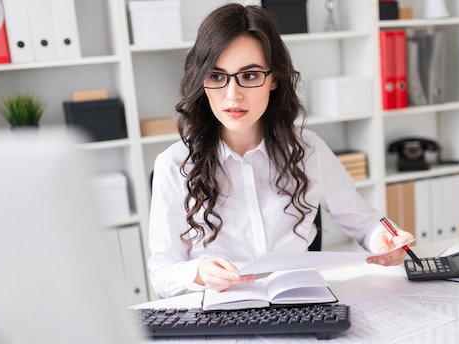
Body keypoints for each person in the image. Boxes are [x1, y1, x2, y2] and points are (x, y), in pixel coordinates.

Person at [148, 3, 415, 299]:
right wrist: (197, 272)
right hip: (219, 310)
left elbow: (364, 222)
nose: (232, 95)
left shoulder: (308, 150)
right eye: (216, 76)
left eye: (249, 76)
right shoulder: (174, 165)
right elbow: (161, 274)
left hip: (298, 303)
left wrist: (385, 240)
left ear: (273, 79)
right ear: (202, 81)